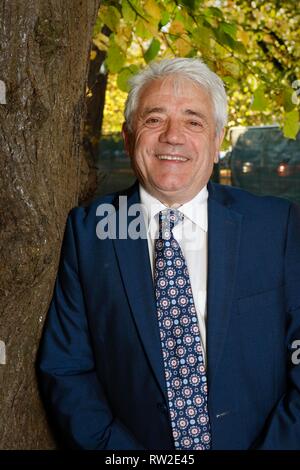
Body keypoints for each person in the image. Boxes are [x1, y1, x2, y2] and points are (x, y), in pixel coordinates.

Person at [38, 58, 300, 450]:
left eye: (194, 121)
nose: (173, 136)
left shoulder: (277, 226)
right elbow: (67, 369)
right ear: (129, 138)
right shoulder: (88, 232)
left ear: (216, 143)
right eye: (154, 119)